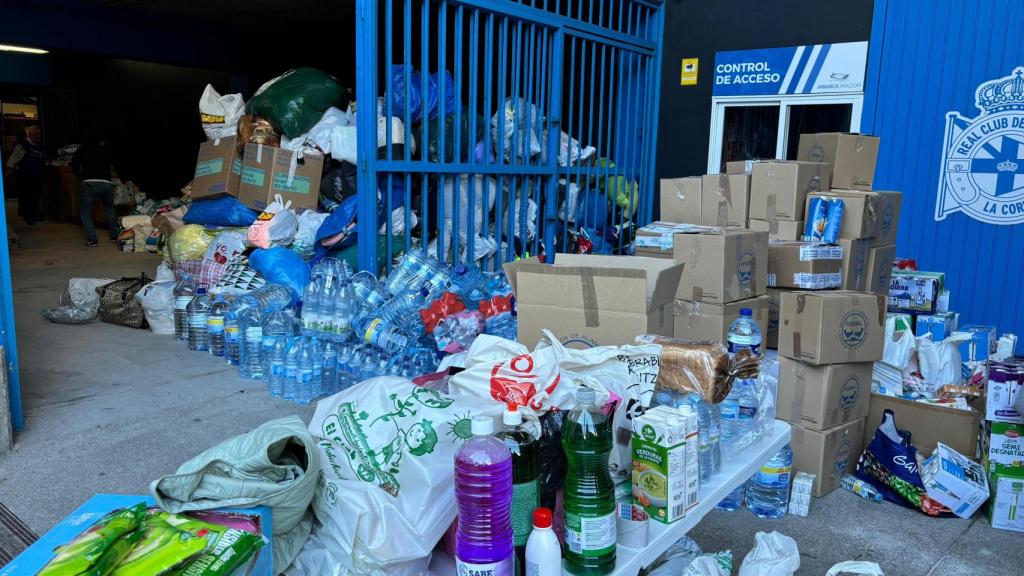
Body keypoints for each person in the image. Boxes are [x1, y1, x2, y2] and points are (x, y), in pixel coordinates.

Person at [71, 137, 117, 247]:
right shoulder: (105, 150)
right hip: (106, 182)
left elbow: (74, 166)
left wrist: (81, 177)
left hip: (88, 182)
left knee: (85, 211)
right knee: (109, 208)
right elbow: (113, 165)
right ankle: (114, 235)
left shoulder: (82, 149)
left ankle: (92, 239)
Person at [4, 125, 45, 225]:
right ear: (30, 134)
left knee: (35, 196)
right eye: (36, 134)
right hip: (26, 176)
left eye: (39, 134)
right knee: (28, 196)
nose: (38, 136)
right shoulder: (23, 145)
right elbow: (13, 159)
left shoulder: (39, 146)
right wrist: (9, 170)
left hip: (37, 176)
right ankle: (29, 217)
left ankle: (32, 215)